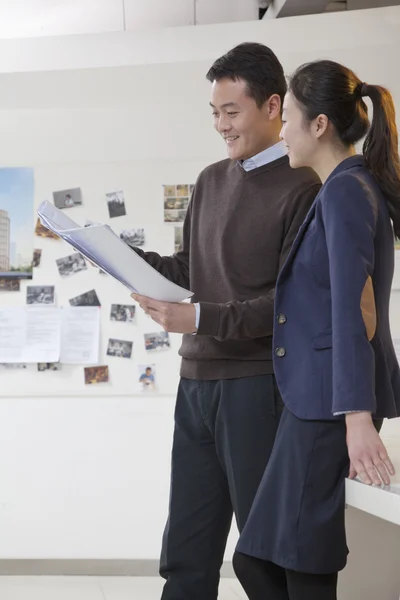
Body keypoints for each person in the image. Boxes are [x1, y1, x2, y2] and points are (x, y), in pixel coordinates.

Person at [131, 43, 321, 600]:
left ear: (272, 106)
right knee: (185, 551)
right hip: (196, 384)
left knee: (260, 556)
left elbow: (290, 307)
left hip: (256, 387)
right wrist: (119, 254)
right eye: (214, 112)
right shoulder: (211, 179)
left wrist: (199, 316)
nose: (220, 125)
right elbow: (190, 269)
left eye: (231, 111)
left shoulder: (304, 187)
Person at [233, 60, 400, 600]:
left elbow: (354, 308)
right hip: (314, 399)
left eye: (291, 117)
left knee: (300, 564)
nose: (282, 131)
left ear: (320, 124)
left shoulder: (348, 191)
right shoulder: (340, 188)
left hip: (330, 403)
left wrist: (356, 416)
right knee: (259, 557)